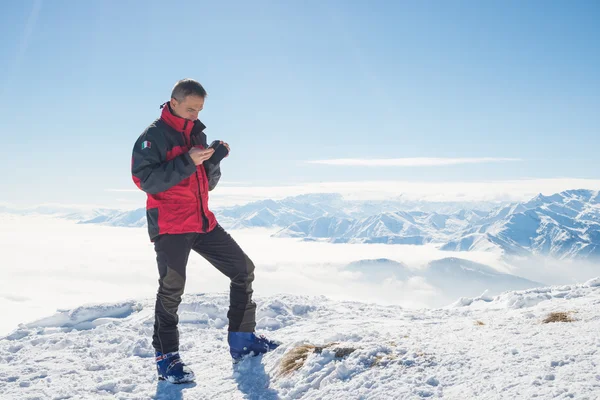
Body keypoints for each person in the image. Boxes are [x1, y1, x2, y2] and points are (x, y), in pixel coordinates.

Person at [131, 79, 279, 384]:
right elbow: (146, 181)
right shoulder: (152, 137)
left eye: (199, 109)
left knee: (243, 269)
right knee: (172, 290)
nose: (195, 114)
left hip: (201, 222)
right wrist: (187, 161)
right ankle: (167, 358)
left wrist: (215, 160)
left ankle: (242, 340)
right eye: (190, 108)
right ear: (173, 102)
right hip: (171, 225)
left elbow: (205, 184)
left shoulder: (197, 133)